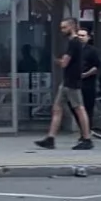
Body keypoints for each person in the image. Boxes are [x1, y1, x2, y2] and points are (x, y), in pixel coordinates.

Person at [35, 19, 93, 150]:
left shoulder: (74, 42)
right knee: (57, 108)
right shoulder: (74, 42)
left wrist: (55, 60)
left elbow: (64, 63)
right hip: (67, 81)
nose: (62, 30)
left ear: (71, 27)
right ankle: (50, 138)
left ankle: (87, 138)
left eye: (64, 27)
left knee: (79, 109)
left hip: (72, 82)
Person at [79, 30, 101, 136]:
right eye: (79, 35)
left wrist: (86, 74)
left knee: (88, 109)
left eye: (83, 35)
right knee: (77, 108)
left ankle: (87, 132)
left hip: (88, 84)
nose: (80, 37)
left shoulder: (92, 51)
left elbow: (97, 67)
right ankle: (83, 131)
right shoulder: (74, 50)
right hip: (75, 84)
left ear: (88, 37)